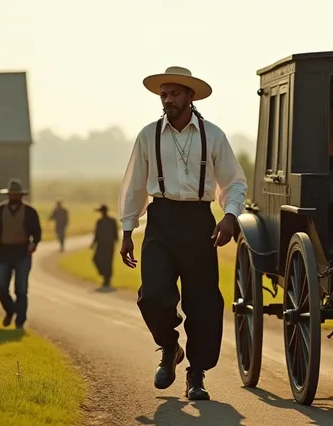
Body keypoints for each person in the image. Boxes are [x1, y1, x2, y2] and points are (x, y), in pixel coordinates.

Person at [119, 66, 248, 401]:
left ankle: (196, 374)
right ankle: (170, 346)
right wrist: (128, 229)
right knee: (153, 296)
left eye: (174, 93)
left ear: (190, 96)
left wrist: (230, 216)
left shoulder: (213, 135)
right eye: (164, 94)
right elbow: (134, 185)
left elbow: (233, 183)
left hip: (198, 221)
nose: (167, 100)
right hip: (160, 220)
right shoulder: (148, 135)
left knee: (204, 302)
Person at [0, 179, 42, 330]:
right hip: (4, 252)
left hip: (22, 252)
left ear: (21, 196)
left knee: (21, 289)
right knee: (0, 286)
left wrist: (34, 243)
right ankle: (10, 310)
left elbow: (37, 232)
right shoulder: (0, 210)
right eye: (11, 194)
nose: (13, 197)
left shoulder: (30, 211)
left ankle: (20, 321)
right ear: (8, 195)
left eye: (16, 194)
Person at [90, 204, 118, 289]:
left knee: (107, 262)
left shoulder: (107, 221)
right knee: (97, 259)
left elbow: (115, 233)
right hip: (104, 244)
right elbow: (97, 234)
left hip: (107, 245)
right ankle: (105, 276)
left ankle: (107, 279)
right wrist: (93, 243)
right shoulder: (102, 221)